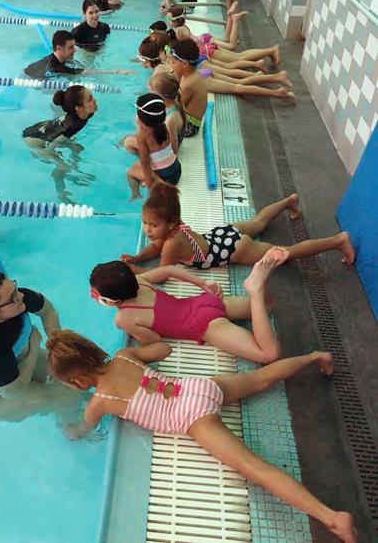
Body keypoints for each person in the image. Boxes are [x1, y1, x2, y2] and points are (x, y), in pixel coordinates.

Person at [46, 328, 356, 543]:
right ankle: (316, 357)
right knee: (261, 378)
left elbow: (81, 432)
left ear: (77, 379)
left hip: (194, 418)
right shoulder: (124, 355)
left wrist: (68, 430)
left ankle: (331, 518)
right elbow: (162, 349)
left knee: (255, 469)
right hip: (196, 387)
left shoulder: (100, 403)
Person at [89, 250, 283, 363]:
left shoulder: (123, 318)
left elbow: (155, 340)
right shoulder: (140, 281)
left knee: (269, 354)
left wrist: (134, 332)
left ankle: (255, 288)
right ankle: (259, 284)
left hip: (206, 326)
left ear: (111, 300)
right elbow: (170, 270)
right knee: (268, 305)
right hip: (202, 302)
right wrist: (202, 284)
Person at [0, 260, 80, 422]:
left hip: (16, 360)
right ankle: (71, 430)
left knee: (73, 372)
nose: (21, 296)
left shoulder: (15, 300)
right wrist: (34, 346)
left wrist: (57, 343)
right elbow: (12, 392)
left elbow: (47, 310)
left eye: (15, 288)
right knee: (69, 398)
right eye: (12, 297)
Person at [120, 183, 355, 269]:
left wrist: (136, 272)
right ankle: (288, 202)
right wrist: (138, 257)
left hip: (232, 250)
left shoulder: (171, 243)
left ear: (169, 223)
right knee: (258, 222)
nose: (147, 229)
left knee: (286, 254)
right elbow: (155, 247)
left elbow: (163, 273)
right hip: (222, 234)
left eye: (152, 224)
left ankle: (338, 241)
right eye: (145, 223)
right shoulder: (173, 228)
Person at [22, 86, 97, 204]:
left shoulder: (85, 113)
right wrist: (55, 158)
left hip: (41, 131)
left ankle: (74, 172)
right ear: (79, 108)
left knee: (77, 148)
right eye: (90, 99)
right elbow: (51, 146)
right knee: (63, 167)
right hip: (34, 141)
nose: (95, 101)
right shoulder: (71, 126)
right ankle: (61, 194)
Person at [127, 94, 181, 200]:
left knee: (130, 173)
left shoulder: (142, 135)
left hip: (164, 176)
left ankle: (136, 195)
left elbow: (145, 162)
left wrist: (149, 182)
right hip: (176, 170)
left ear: (141, 118)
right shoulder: (163, 126)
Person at [24, 30, 132, 80]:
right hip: (28, 78)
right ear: (59, 49)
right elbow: (85, 72)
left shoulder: (59, 58)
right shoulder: (55, 67)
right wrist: (116, 72)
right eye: (71, 47)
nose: (75, 50)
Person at [123, 73, 185, 156]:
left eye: (151, 91)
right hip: (164, 142)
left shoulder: (171, 119)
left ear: (161, 96)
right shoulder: (174, 104)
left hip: (164, 153)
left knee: (128, 142)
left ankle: (151, 161)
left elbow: (174, 148)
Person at [166, 39, 208, 137]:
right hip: (188, 118)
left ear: (185, 64)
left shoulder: (188, 83)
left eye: (173, 62)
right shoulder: (189, 75)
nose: (170, 65)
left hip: (190, 126)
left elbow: (174, 106)